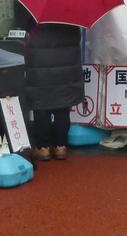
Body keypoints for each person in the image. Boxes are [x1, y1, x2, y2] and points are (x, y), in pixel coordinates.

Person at [23, 22, 84, 162]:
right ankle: (60, 146)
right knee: (63, 107)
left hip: (40, 68)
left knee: (41, 106)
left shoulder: (36, 16)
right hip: (66, 70)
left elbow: (27, 34)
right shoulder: (71, 18)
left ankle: (43, 148)